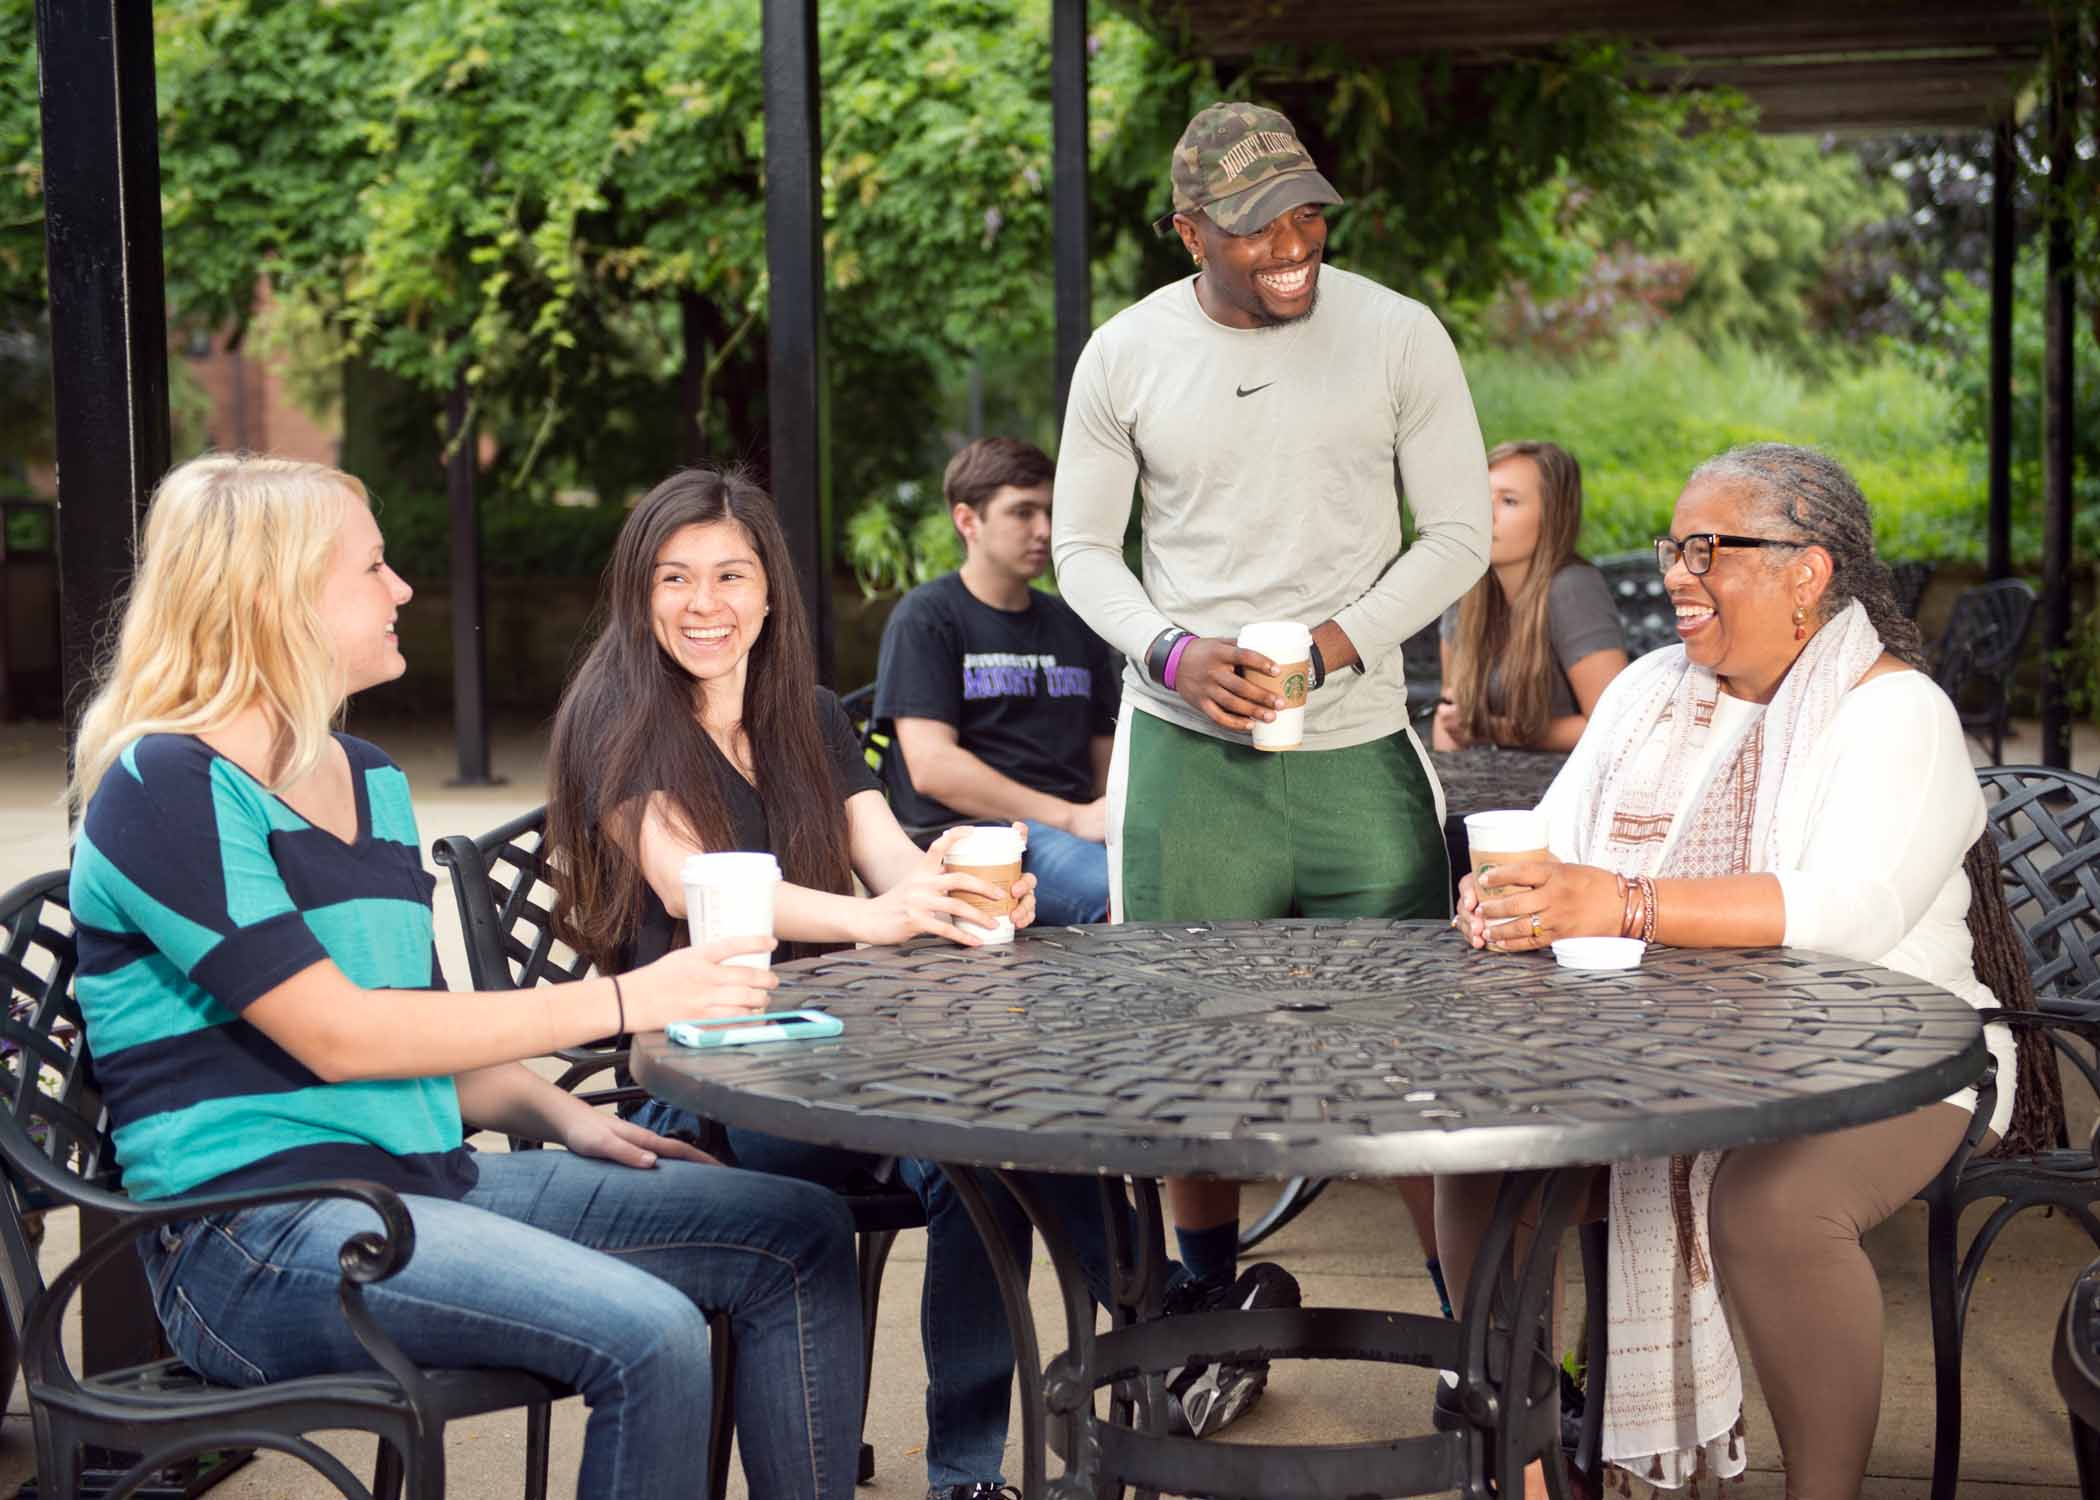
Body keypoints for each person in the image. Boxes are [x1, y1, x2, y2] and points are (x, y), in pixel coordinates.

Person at [65, 454, 865, 1500]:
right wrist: (633, 998)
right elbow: (341, 1036)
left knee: (797, 1230)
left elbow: (422, 1025)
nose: (404, 590)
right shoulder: (163, 784)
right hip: (254, 1237)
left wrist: (559, 1111)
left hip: (425, 1186)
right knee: (652, 1333)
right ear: (275, 597)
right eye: (374, 567)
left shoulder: (369, 778)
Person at [544, 468, 1288, 1497]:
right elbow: (693, 882)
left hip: (830, 1042)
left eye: (728, 575)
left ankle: (1000, 1442)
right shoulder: (614, 716)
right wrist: (873, 921)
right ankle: (1148, 1325)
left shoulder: (802, 710)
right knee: (978, 1155)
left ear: (769, 593)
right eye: (675, 579)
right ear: (641, 593)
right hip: (709, 1065)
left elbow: (892, 859)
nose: (703, 604)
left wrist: (966, 895)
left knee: (1011, 1129)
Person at [1441, 443, 2020, 1499]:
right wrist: (1508, 899)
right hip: (1651, 1052)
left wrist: (1619, 901)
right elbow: (1556, 841)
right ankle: (1522, 1475)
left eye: (1711, 548)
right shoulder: (1648, 694)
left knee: (1769, 1209)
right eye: (1675, 545)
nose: (1674, 572)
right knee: (1479, 1164)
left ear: (1808, 573)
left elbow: (1851, 908)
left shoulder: (1895, 713)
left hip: (1899, 1053)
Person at [1052, 99, 1490, 1313]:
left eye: (1308, 213)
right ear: (1188, 230)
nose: (1294, 242)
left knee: (1412, 1058)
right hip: (1189, 760)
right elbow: (1082, 551)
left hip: (1359, 752)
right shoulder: (1125, 355)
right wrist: (1173, 653)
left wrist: (1338, 645)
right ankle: (1205, 1306)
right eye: (1256, 227)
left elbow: (1459, 532)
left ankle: (1474, 1322)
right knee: (1187, 1046)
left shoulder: (1399, 335)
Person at [876, 436, 1118, 925]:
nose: (1044, 530)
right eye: (1022, 512)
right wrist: (1068, 816)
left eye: (1050, 512)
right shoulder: (927, 618)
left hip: (1075, 832)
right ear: (968, 521)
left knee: (1189, 885)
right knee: (1121, 898)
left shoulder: (1075, 625)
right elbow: (932, 766)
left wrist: (1108, 815)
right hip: (978, 840)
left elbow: (1107, 756)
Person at [1433, 440, 1628, 753]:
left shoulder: (1572, 589)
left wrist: (1497, 731)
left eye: (1508, 501)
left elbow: (1617, 726)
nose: (1486, 514)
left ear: (1551, 518)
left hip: (1566, 789)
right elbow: (1449, 714)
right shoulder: (1465, 588)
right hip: (1490, 786)